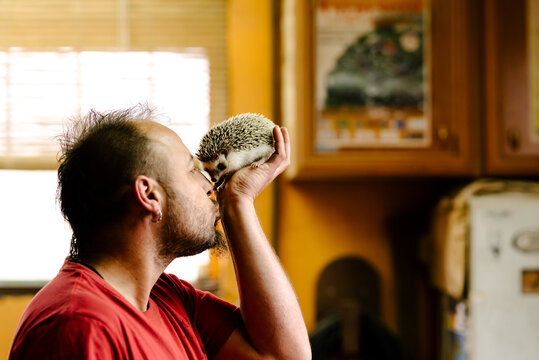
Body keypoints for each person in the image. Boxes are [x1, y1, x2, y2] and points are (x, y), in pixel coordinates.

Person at [9, 106, 311, 359]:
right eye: (192, 171)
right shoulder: (78, 327)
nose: (210, 186)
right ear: (149, 195)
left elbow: (283, 356)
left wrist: (237, 202)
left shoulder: (168, 296)